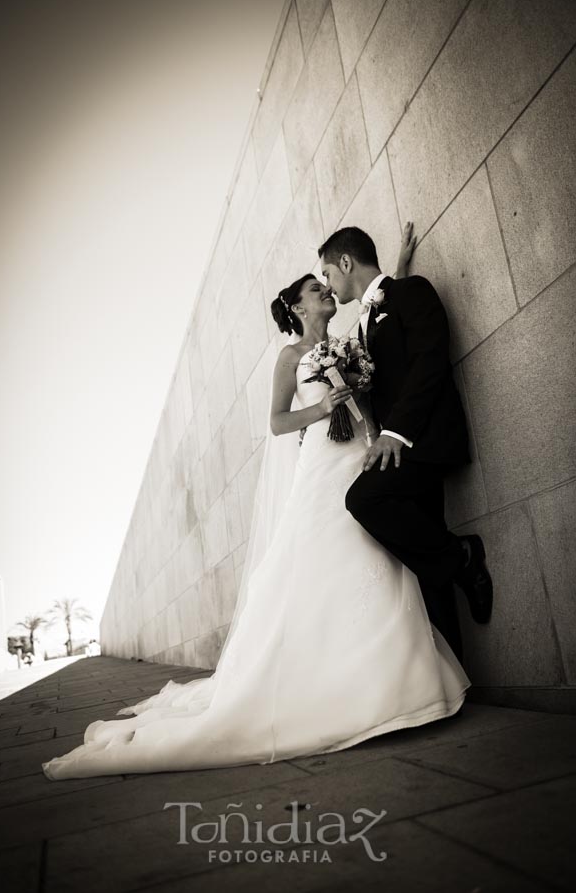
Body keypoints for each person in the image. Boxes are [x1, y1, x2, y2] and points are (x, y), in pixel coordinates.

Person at [41, 226, 469, 781]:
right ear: (296, 307)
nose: (324, 292)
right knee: (325, 555)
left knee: (377, 555)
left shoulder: (349, 338)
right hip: (323, 462)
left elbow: (384, 320)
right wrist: (322, 409)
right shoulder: (290, 357)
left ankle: (398, 678)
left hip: (364, 455)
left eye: (325, 283)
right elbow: (276, 423)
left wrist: (398, 270)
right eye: (315, 290)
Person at [318, 226, 494, 664]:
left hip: (423, 439)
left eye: (327, 273)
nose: (327, 285)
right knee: (425, 560)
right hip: (398, 448)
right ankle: (457, 680)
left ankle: (463, 555)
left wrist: (395, 432)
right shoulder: (361, 324)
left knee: (363, 499)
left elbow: (428, 361)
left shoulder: (411, 292)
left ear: (345, 263)